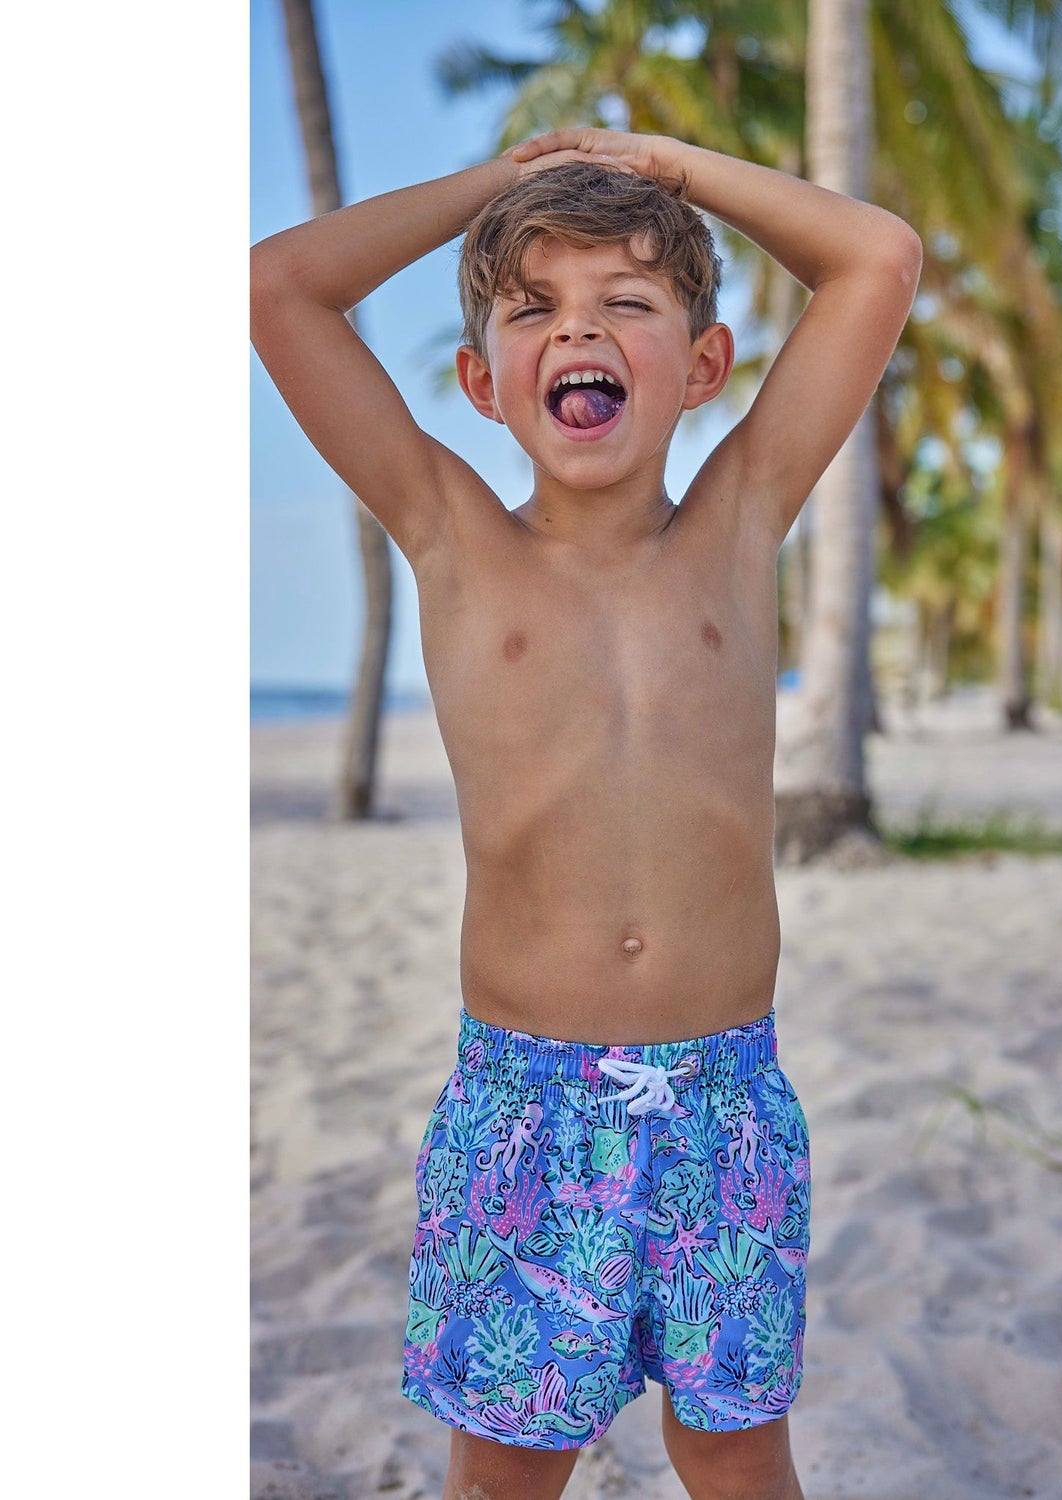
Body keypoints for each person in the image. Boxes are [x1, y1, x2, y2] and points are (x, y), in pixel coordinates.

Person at [250, 127, 921, 1500]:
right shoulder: (451, 534)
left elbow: (879, 259)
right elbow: (277, 289)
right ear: (480, 383)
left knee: (737, 1453)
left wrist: (672, 166)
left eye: (627, 302)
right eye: (532, 309)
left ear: (707, 364)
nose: (579, 329)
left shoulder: (741, 521)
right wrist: (496, 186)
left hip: (725, 1099)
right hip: (526, 1106)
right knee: (507, 1469)